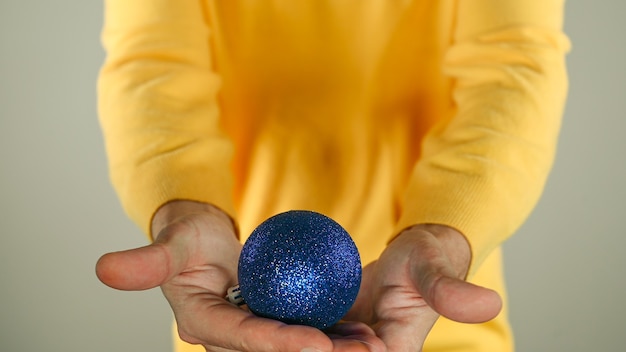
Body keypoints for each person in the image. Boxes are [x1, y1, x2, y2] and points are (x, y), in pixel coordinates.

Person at [95, 1, 570, 351]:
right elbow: (154, 58)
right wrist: (185, 201)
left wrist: (446, 229)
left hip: (427, 308)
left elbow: (512, 62)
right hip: (230, 309)